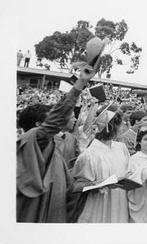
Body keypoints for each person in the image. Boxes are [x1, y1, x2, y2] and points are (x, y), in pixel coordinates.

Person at [17, 64, 95, 222]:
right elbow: (57, 117)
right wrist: (80, 83)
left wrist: (98, 184)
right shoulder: (31, 141)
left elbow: (69, 188)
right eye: (50, 120)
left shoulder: (52, 148)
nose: (60, 123)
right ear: (39, 125)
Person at [72, 109, 130, 222]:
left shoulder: (121, 147)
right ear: (112, 128)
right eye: (119, 125)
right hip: (98, 202)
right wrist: (96, 184)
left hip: (120, 201)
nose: (122, 128)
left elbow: (127, 171)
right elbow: (75, 185)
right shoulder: (89, 154)